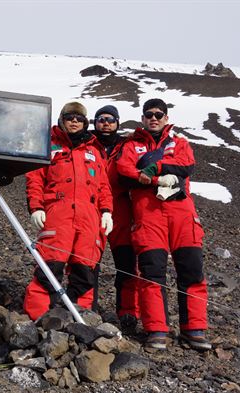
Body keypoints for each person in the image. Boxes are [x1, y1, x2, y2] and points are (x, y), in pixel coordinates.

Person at [116, 98, 211, 351]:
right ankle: (156, 329)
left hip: (182, 213)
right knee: (152, 272)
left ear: (166, 118)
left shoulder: (179, 143)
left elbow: (186, 165)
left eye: (159, 114)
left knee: (191, 270)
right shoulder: (131, 145)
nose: (154, 118)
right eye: (149, 114)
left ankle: (194, 329)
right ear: (143, 118)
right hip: (148, 216)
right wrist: (155, 179)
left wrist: (153, 167)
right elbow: (124, 171)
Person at [23, 101, 113, 320]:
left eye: (79, 119)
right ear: (61, 119)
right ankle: (40, 318)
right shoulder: (48, 145)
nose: (74, 121)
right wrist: (36, 207)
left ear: (85, 123)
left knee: (84, 271)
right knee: (49, 267)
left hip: (89, 218)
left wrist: (107, 211)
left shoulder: (94, 150)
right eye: (70, 117)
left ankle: (79, 319)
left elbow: (103, 186)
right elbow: (35, 178)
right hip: (57, 215)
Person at [91, 105, 140, 335]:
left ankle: (128, 312)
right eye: (101, 119)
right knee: (88, 261)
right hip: (93, 208)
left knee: (127, 263)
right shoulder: (87, 144)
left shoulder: (127, 145)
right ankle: (87, 307)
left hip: (121, 208)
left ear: (117, 122)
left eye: (110, 119)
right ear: (94, 122)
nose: (106, 123)